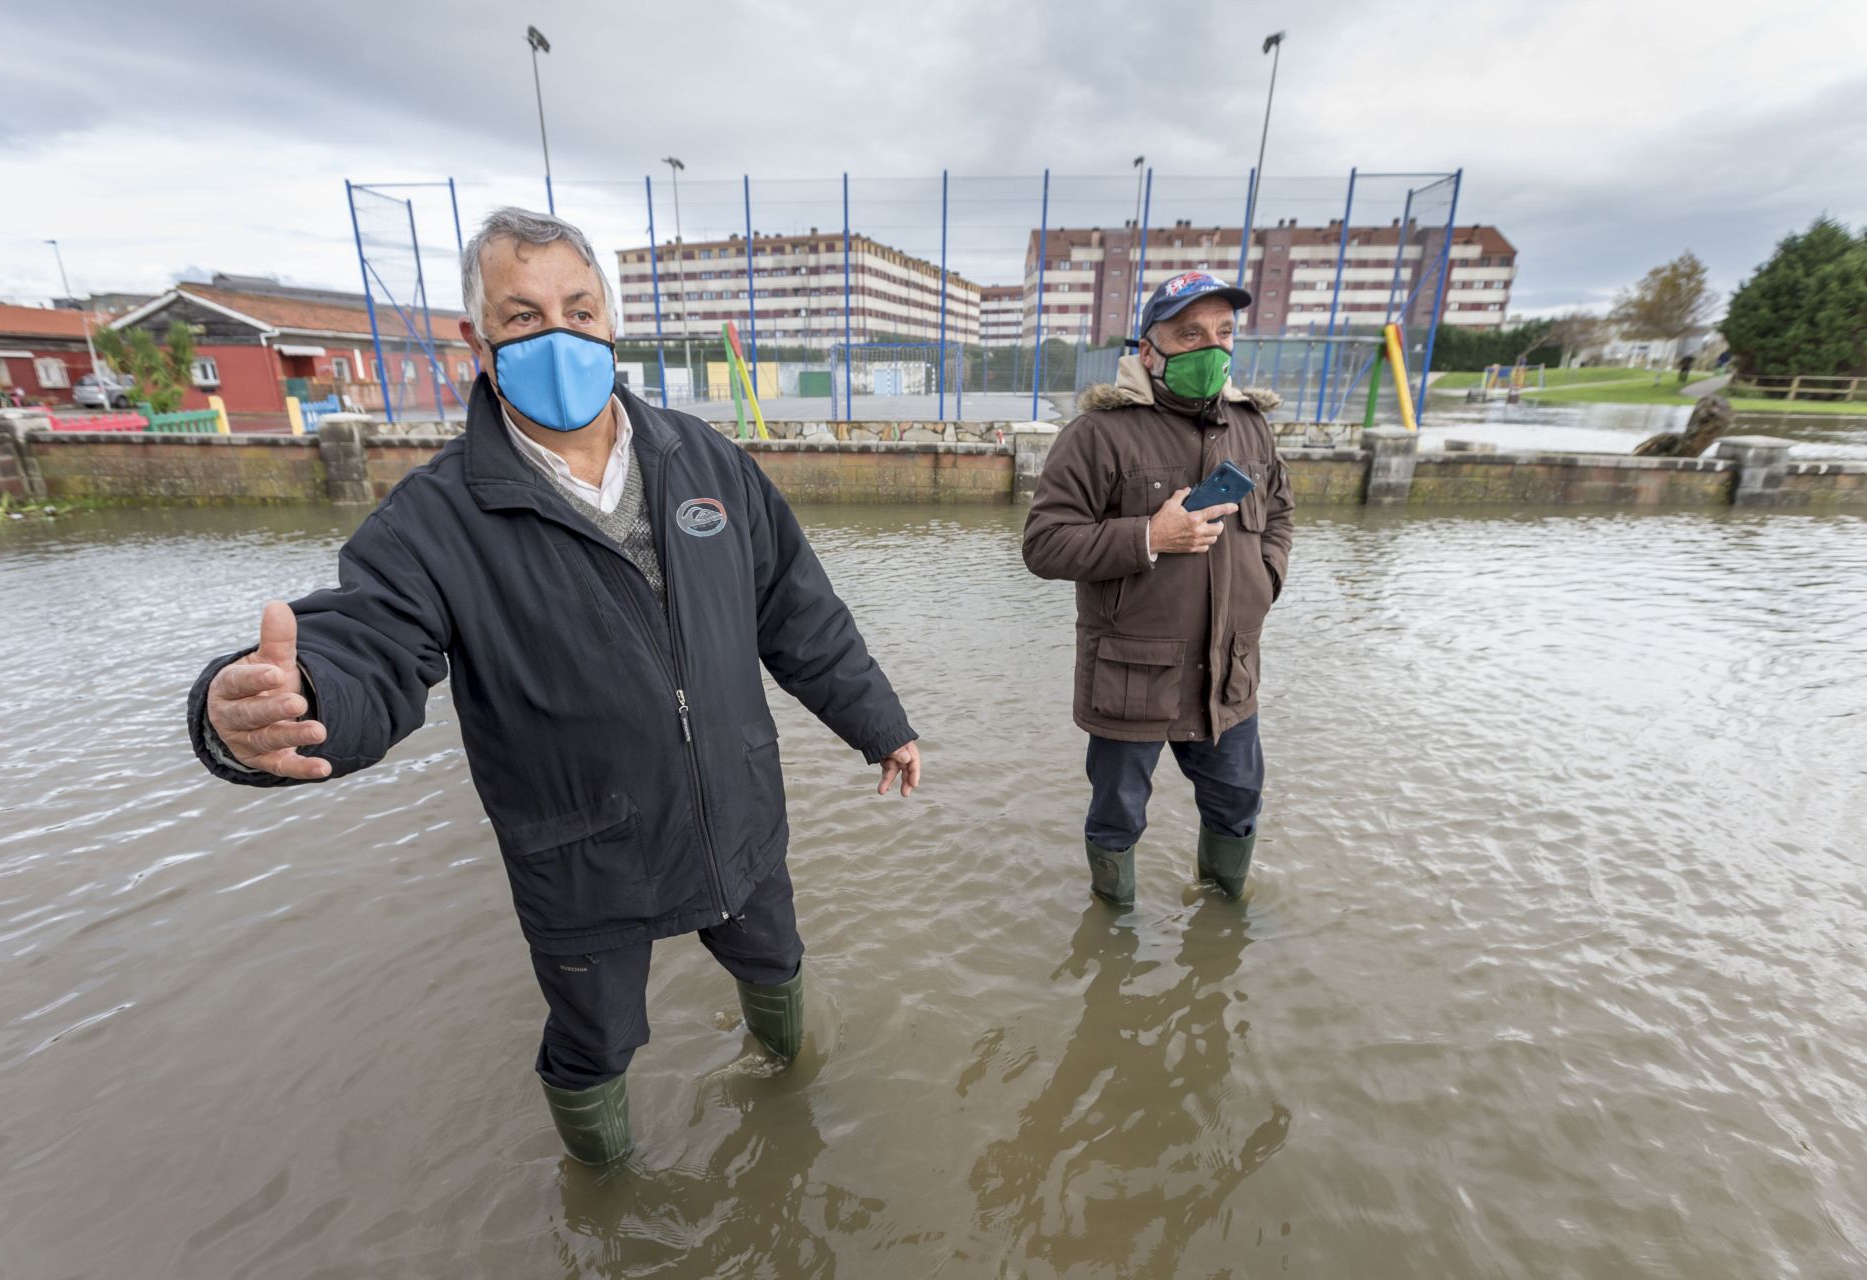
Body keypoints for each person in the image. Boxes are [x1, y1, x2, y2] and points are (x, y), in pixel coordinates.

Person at [187, 208, 922, 1166]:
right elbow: (370, 644)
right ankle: (605, 1189)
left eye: (578, 310)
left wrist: (879, 722)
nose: (559, 335)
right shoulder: (434, 519)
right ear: (480, 342)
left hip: (735, 812)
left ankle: (789, 1092)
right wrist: (295, 698)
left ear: (610, 320)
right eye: (524, 316)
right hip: (579, 851)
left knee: (776, 965)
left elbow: (797, 612)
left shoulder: (706, 462)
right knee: (593, 1041)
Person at [1022, 272, 1292, 907]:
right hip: (1131, 675)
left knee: (1238, 805)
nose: (1212, 348)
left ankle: (1223, 911)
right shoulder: (1098, 434)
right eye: (1190, 334)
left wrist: (1266, 581)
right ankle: (1113, 925)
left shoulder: (1251, 426)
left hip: (1228, 671)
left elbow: (1280, 512)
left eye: (1224, 332)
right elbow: (1044, 544)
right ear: (1149, 350)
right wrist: (1149, 535)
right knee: (1117, 818)